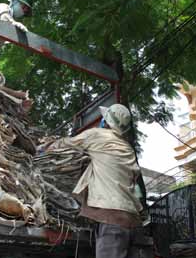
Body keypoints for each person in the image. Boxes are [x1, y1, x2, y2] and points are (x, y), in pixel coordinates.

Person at [47, 104, 143, 258]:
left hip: (112, 217)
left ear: (106, 122)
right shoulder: (128, 149)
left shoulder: (97, 135)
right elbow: (135, 180)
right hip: (130, 219)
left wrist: (44, 147)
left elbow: (63, 145)